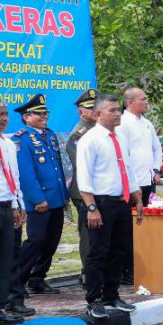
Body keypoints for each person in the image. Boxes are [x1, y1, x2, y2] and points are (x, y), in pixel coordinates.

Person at [76, 94, 144, 319]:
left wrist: (138, 198)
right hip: (101, 203)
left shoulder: (120, 138)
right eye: (112, 110)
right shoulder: (90, 139)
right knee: (98, 253)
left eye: (118, 110)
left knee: (119, 251)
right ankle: (93, 299)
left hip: (121, 201)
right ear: (97, 114)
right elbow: (84, 178)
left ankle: (111, 295)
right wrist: (91, 208)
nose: (117, 114)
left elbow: (127, 169)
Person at [11, 94, 68, 297]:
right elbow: (26, 174)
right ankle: (18, 281)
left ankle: (38, 278)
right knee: (36, 240)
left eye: (46, 113)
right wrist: (37, 199)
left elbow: (57, 168)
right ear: (27, 117)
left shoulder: (50, 135)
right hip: (39, 201)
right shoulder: (22, 139)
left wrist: (64, 196)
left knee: (51, 240)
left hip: (56, 197)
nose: (45, 116)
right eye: (40, 113)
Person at [65, 89, 98, 287]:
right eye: (90, 107)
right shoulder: (78, 135)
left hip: (101, 191)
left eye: (96, 106)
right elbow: (85, 166)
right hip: (83, 191)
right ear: (81, 112)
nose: (94, 110)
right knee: (88, 233)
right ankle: (88, 272)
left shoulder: (101, 131)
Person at [0, 103, 26, 324]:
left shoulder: (8, 144)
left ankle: (1, 306)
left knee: (6, 258)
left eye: (5, 114)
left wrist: (18, 205)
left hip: (7, 205)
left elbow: (14, 177)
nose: (3, 118)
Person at [117, 88, 163, 206]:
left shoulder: (147, 123)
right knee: (133, 219)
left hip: (149, 180)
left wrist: (156, 170)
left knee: (150, 219)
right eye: (143, 99)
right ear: (130, 102)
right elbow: (121, 154)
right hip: (132, 183)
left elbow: (157, 148)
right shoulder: (122, 123)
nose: (146, 102)